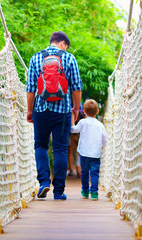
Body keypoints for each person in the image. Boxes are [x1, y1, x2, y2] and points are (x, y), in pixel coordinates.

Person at [26, 31, 82, 200]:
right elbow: (76, 88)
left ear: (51, 42)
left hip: (41, 110)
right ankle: (58, 192)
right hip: (63, 112)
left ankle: (43, 182)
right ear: (63, 43)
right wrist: (75, 109)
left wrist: (30, 110)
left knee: (40, 146)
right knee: (60, 149)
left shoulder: (36, 58)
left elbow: (30, 89)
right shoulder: (70, 58)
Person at [70, 99, 106, 200]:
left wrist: (72, 118)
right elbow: (104, 139)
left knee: (84, 172)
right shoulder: (100, 125)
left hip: (84, 153)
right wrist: (102, 146)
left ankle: (85, 191)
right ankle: (94, 192)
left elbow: (73, 130)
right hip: (95, 154)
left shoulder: (82, 122)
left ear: (84, 112)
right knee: (95, 173)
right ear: (97, 112)